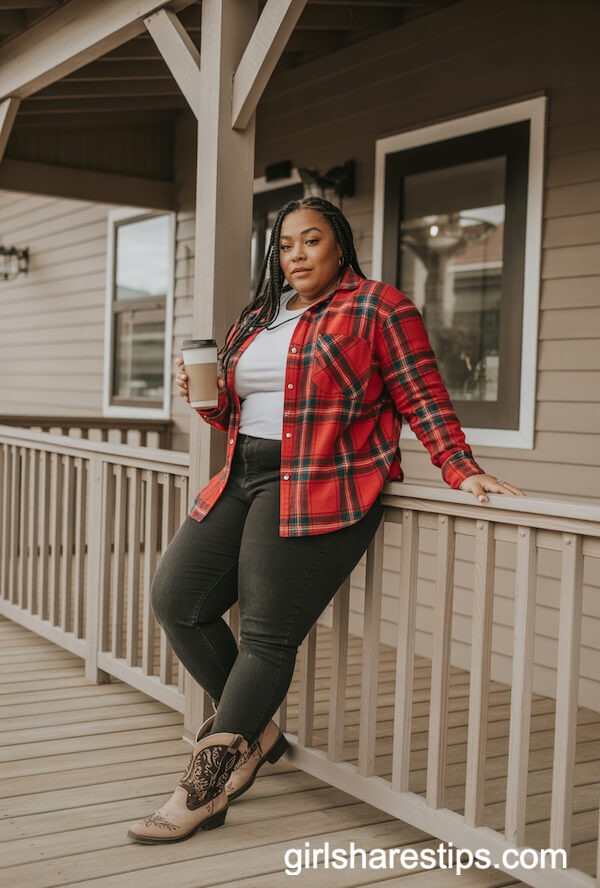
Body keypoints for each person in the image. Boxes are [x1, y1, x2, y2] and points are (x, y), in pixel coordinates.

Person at [128, 196, 524, 844]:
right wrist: (206, 397)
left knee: (264, 637)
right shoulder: (261, 315)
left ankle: (203, 786)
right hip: (244, 472)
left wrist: (459, 466)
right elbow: (233, 411)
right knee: (176, 598)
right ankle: (255, 729)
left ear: (339, 243)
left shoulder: (378, 307)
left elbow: (420, 393)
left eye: (310, 241)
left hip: (320, 479)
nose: (296, 256)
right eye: (285, 246)